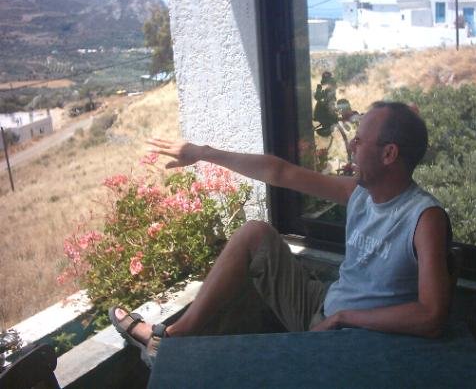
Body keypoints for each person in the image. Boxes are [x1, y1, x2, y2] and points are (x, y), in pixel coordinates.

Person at [110, 101, 453, 366]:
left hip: (356, 340)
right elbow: (280, 172)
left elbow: (431, 316)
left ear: (389, 154)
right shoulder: (360, 193)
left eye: (360, 140)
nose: (352, 146)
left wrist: (344, 318)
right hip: (324, 308)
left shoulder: (424, 219)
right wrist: (203, 153)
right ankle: (170, 339)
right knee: (254, 233)